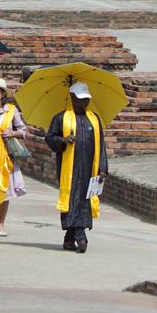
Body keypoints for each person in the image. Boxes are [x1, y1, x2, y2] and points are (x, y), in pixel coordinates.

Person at [45, 82, 109, 254]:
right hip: (69, 171)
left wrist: (102, 168)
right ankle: (81, 237)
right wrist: (62, 141)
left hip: (89, 169)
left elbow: (101, 145)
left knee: (84, 201)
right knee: (72, 200)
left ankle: (69, 239)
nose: (84, 103)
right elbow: (49, 138)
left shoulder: (94, 119)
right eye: (81, 100)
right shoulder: (61, 118)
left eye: (86, 100)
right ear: (72, 99)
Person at [0, 77, 27, 237]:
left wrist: (12, 132)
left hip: (6, 156)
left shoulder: (11, 110)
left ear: (2, 94)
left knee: (4, 190)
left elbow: (23, 130)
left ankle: (1, 224)